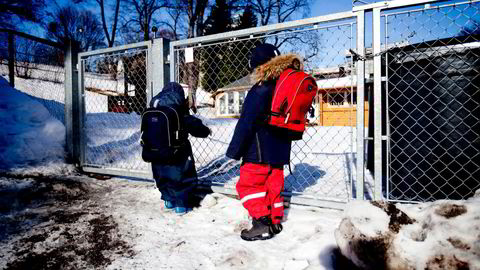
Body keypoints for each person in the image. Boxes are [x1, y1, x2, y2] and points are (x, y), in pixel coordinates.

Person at [226, 43, 303, 241]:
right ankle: (275, 220)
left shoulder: (260, 89)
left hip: (257, 150)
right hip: (279, 151)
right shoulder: (285, 87)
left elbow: (247, 122)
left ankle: (261, 223)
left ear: (259, 66)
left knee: (248, 186)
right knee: (273, 185)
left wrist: (235, 150)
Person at [149, 82, 211, 215]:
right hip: (178, 151)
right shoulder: (178, 109)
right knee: (182, 174)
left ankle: (168, 200)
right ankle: (180, 205)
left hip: (156, 150)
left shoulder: (154, 107)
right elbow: (193, 125)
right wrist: (205, 131)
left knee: (162, 174)